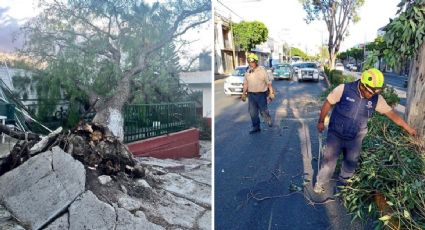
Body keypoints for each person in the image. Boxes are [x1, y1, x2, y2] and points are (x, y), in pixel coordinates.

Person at [314, 68, 416, 193]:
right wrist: (321, 121)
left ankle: (343, 187)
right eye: (370, 91)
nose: (372, 94)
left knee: (350, 164)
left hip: (356, 138)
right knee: (329, 162)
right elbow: (328, 103)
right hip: (336, 134)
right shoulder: (344, 89)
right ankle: (320, 183)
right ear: (362, 85)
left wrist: (409, 129)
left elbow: (392, 115)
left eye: (375, 92)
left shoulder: (376, 99)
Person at [241, 53, 274, 134]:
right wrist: (243, 93)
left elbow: (268, 83)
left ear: (256, 62)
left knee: (263, 111)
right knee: (253, 113)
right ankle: (256, 127)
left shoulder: (262, 71)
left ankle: (268, 118)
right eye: (249, 62)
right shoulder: (247, 72)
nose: (250, 64)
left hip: (261, 94)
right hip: (251, 95)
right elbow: (245, 83)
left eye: (252, 62)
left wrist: (271, 93)